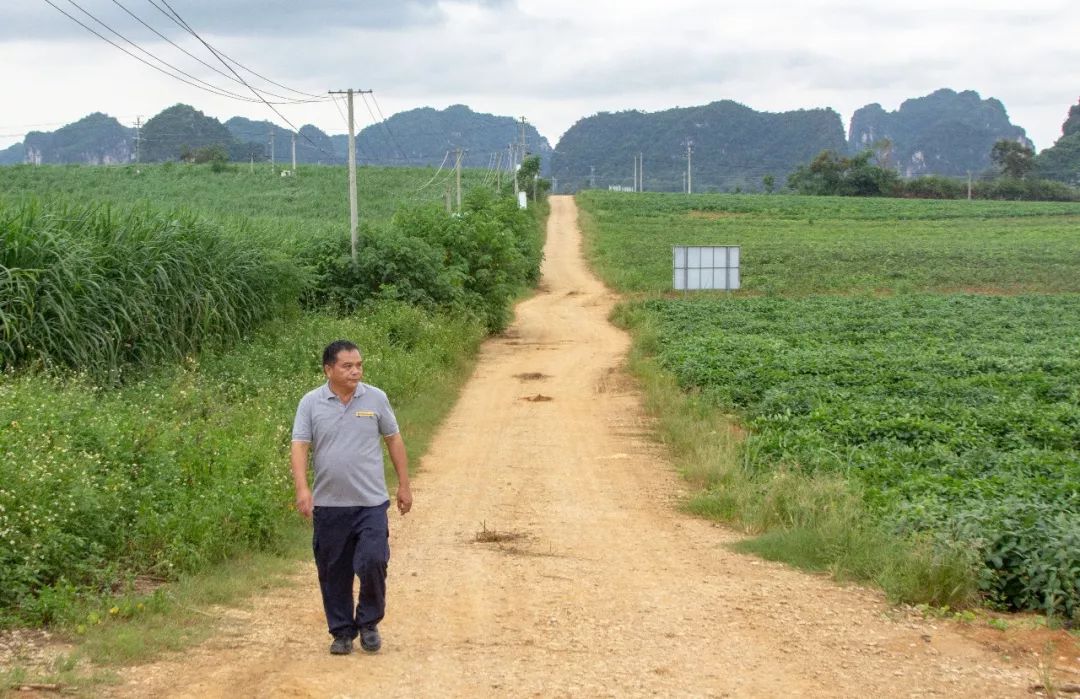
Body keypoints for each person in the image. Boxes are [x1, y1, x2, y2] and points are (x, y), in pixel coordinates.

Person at [290, 339, 413, 656]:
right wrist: (303, 488)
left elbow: (394, 440)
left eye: (358, 365)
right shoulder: (311, 403)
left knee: (373, 561)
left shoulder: (376, 398)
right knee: (334, 571)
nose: (355, 371)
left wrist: (404, 484)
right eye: (347, 366)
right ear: (328, 369)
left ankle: (369, 623)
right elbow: (300, 446)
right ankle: (342, 632)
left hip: (370, 503)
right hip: (329, 506)